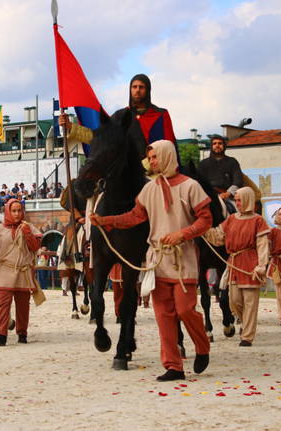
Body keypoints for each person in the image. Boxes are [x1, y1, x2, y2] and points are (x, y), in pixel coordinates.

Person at [90, 140, 212, 381]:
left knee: (186, 309)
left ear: (167, 156)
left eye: (155, 157)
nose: (151, 162)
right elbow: (135, 217)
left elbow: (205, 219)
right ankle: (173, 366)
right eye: (151, 157)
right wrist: (106, 221)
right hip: (157, 258)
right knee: (163, 314)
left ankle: (202, 345)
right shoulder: (148, 190)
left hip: (182, 257)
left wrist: (182, 234)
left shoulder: (191, 186)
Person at [59, 73, 177, 164]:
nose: (137, 90)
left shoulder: (161, 115)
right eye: (134, 87)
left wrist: (147, 165)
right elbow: (100, 138)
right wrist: (70, 127)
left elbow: (169, 147)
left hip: (156, 172)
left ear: (148, 90)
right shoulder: (121, 116)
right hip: (127, 172)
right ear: (130, 90)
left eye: (141, 87)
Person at [204, 187, 269, 347]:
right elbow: (218, 237)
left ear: (247, 200)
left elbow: (262, 245)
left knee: (250, 302)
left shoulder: (258, 220)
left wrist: (262, 265)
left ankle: (247, 336)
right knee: (235, 301)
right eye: (237, 200)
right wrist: (203, 229)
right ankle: (244, 323)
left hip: (250, 264)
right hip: (234, 263)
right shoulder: (231, 219)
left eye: (240, 200)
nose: (237, 203)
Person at [0, 199, 42, 346]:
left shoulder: (29, 227)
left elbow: (35, 247)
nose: (17, 214)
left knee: (23, 305)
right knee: (3, 304)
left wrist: (28, 235)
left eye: (19, 210)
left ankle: (22, 334)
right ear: (8, 211)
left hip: (22, 271)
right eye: (14, 211)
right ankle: (1, 335)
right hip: (4, 270)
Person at [197, 134, 243, 213]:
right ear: (211, 146)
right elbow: (198, 183)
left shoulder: (232, 161)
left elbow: (237, 181)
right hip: (207, 197)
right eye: (214, 143)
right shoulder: (203, 164)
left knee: (236, 212)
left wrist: (227, 194)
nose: (217, 145)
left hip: (228, 197)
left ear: (224, 146)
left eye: (220, 143)